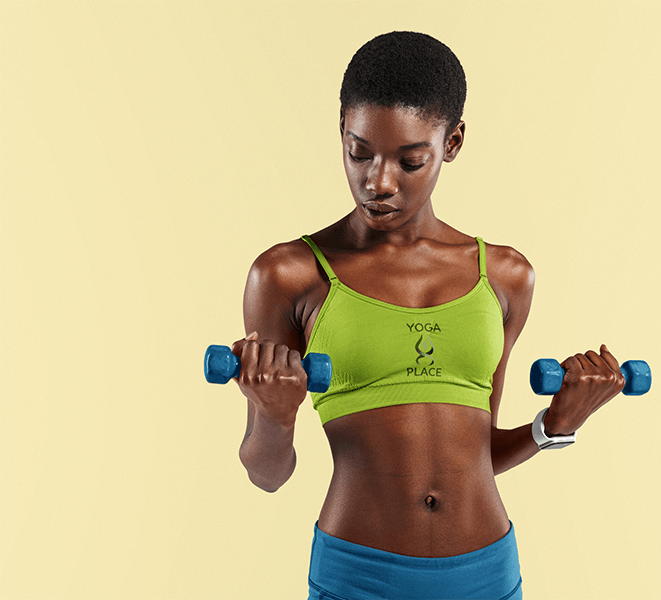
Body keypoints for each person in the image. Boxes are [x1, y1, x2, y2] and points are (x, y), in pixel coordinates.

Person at [230, 31, 626, 600]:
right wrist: (275, 414)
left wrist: (556, 426)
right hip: (361, 574)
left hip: (487, 572)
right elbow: (266, 474)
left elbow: (477, 450)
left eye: (410, 160)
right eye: (359, 151)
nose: (378, 181)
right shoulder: (289, 275)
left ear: (453, 141)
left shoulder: (506, 277)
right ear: (341, 128)